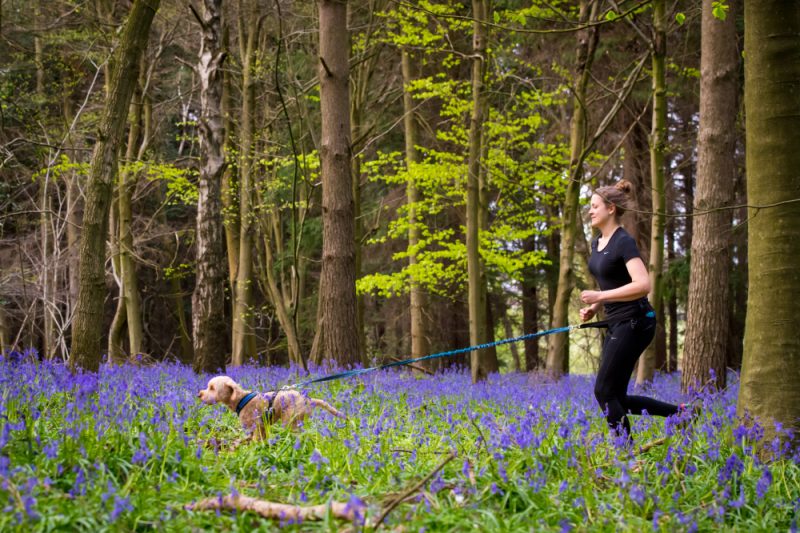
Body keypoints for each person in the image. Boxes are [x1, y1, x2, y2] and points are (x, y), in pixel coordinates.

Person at [580, 180, 680, 444]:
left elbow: (642, 285)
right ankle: (681, 415)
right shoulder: (596, 243)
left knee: (603, 391)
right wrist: (595, 306)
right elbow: (614, 280)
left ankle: (627, 454)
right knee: (617, 397)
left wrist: (600, 296)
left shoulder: (624, 241)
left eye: (594, 206)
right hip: (616, 321)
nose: (590, 211)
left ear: (610, 209)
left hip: (636, 322)